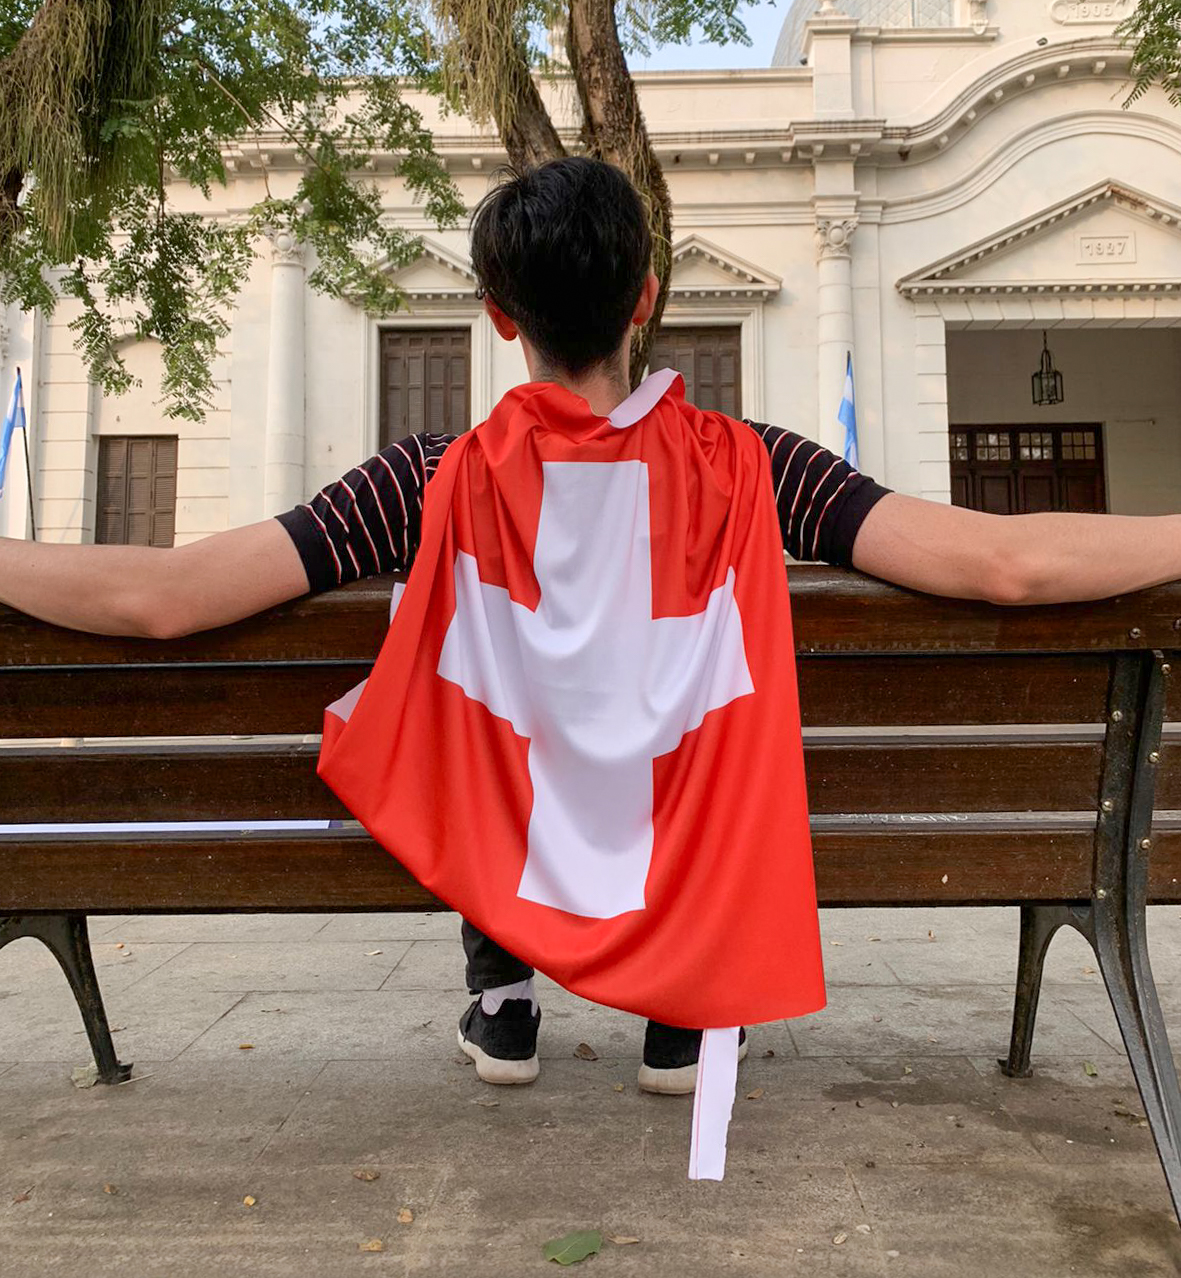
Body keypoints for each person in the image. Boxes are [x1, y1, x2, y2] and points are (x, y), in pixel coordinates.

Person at [3, 158, 1180, 1098]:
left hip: (504, 839)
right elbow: (1007, 567)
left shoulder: (426, 480)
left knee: (484, 698)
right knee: (656, 712)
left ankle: (503, 986)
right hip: (694, 863)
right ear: (646, 301)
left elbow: (158, 597)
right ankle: (680, 1007)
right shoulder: (758, 470)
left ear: (496, 315)